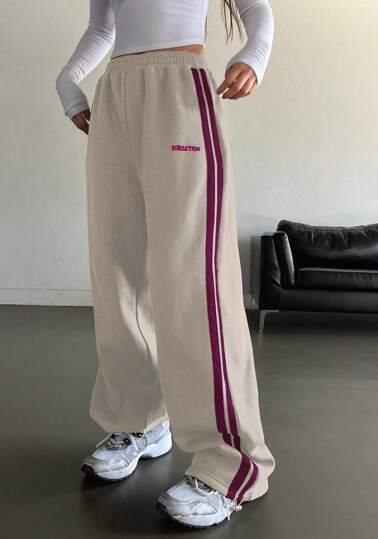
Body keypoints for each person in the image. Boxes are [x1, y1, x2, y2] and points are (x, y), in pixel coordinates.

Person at [55, 0, 275, 529]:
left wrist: (255, 56)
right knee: (118, 271)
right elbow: (101, 27)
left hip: (180, 86)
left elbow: (257, 8)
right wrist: (67, 81)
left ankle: (233, 462)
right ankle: (140, 419)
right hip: (115, 93)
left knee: (195, 276)